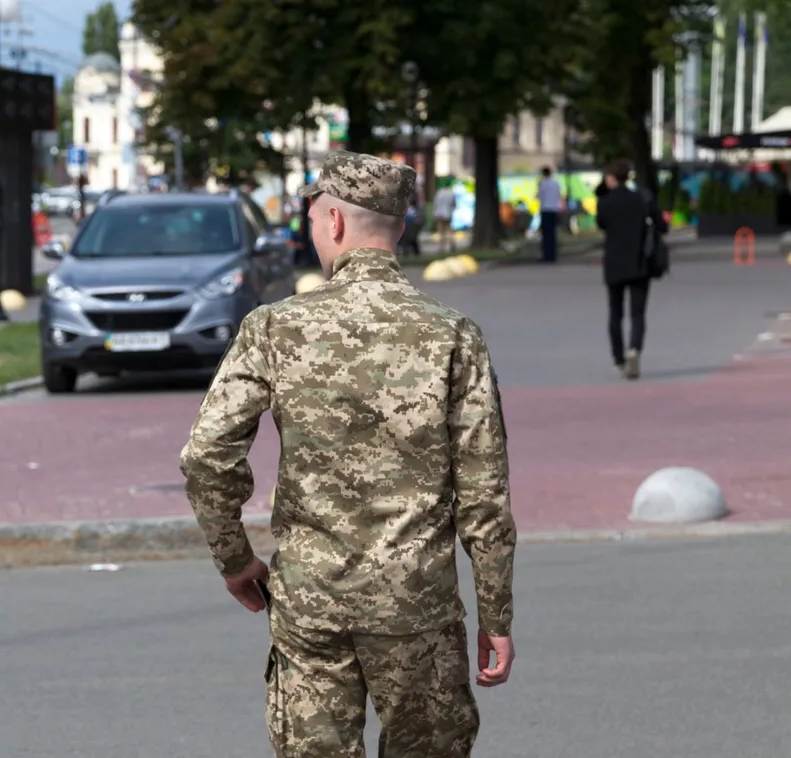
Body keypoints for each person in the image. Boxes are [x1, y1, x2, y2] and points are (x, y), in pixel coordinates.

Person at [180, 149, 516, 758]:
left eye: (312, 220)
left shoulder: (273, 328)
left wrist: (234, 559)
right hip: (418, 607)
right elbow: (484, 496)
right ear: (401, 228)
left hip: (313, 607)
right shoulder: (453, 335)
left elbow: (207, 456)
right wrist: (497, 613)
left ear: (333, 223)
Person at [596, 159, 668, 380]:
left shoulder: (605, 202)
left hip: (614, 264)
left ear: (610, 178)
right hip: (640, 263)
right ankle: (634, 349)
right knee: (637, 313)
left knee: (615, 313)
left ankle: (618, 360)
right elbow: (662, 226)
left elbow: (601, 224)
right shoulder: (642, 198)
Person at [537, 166, 563, 262]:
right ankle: (553, 255)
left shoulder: (542, 184)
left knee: (546, 235)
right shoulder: (556, 183)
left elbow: (539, 196)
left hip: (545, 210)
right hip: (554, 210)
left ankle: (546, 255)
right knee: (553, 234)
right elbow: (559, 195)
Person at [432, 179, 456, 252]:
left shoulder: (439, 192)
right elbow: (454, 204)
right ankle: (452, 243)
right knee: (449, 229)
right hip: (447, 213)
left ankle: (441, 247)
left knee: (441, 231)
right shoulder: (451, 193)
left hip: (439, 213)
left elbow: (435, 203)